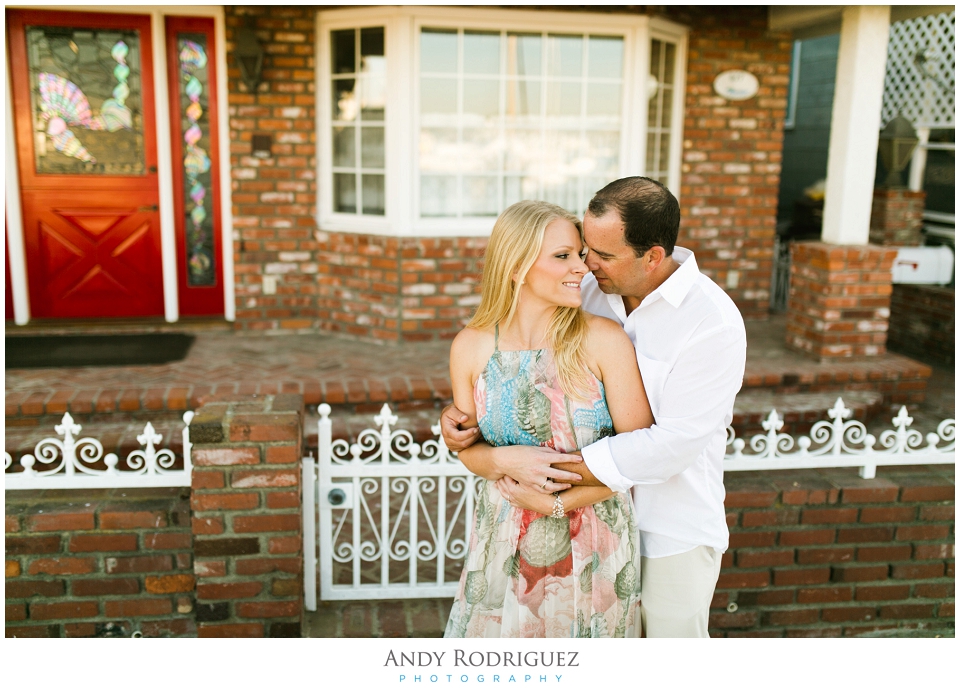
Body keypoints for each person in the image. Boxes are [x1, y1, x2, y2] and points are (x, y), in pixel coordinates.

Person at [442, 177, 747, 638]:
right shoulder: (585, 291)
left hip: (670, 524)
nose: (586, 266)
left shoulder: (711, 322)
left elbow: (672, 446)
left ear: (653, 256)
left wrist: (551, 493)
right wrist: (473, 439)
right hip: (540, 526)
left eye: (600, 256)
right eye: (582, 251)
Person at [442, 200, 654, 638]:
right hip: (501, 537)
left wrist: (560, 502)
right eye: (563, 256)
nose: (582, 267)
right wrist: (508, 461)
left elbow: (641, 454)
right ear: (516, 266)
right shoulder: (471, 345)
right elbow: (468, 450)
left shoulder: (602, 340)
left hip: (595, 543)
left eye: (580, 254)